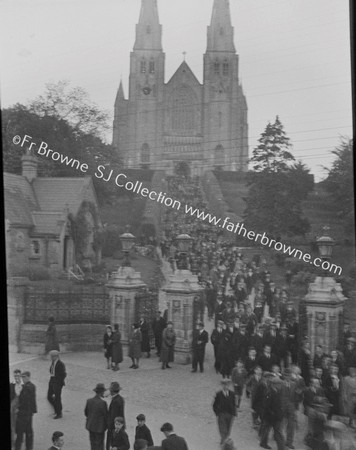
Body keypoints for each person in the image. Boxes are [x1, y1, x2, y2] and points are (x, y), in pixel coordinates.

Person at [15, 371, 37, 450]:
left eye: (24, 377)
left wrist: (18, 409)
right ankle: (29, 447)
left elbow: (24, 400)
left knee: (20, 433)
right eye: (22, 377)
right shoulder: (32, 386)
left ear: (28, 377)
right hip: (29, 413)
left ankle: (18, 448)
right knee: (28, 431)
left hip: (23, 413)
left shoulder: (26, 387)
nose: (23, 379)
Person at [212, 379, 236, 445]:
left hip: (230, 414)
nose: (226, 386)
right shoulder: (219, 394)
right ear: (222, 385)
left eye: (227, 385)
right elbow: (214, 405)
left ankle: (225, 440)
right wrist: (217, 413)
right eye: (224, 385)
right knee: (223, 429)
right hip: (221, 414)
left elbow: (234, 404)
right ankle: (224, 442)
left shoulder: (232, 394)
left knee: (228, 429)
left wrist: (234, 413)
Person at [85, 383, 108, 450]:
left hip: (90, 425)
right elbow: (106, 416)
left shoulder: (89, 401)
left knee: (92, 444)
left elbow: (86, 413)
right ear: (102, 392)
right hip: (100, 428)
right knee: (100, 445)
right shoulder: (103, 403)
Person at [47, 350, 66, 419]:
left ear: (56, 356)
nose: (51, 358)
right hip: (52, 380)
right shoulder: (53, 362)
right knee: (49, 396)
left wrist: (58, 382)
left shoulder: (60, 364)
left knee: (57, 398)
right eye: (51, 356)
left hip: (57, 382)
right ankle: (57, 408)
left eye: (52, 356)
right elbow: (51, 370)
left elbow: (63, 374)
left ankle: (59, 413)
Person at [106, 382, 125, 450]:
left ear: (112, 391)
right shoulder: (120, 399)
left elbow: (112, 416)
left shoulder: (115, 401)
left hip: (114, 427)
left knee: (110, 445)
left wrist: (108, 426)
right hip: (120, 424)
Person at [10, 369, 23, 446]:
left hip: (21, 408)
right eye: (15, 376)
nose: (16, 377)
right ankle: (13, 440)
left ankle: (20, 439)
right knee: (13, 424)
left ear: (20, 375)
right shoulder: (11, 385)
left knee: (20, 424)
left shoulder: (24, 385)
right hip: (13, 408)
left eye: (18, 375)